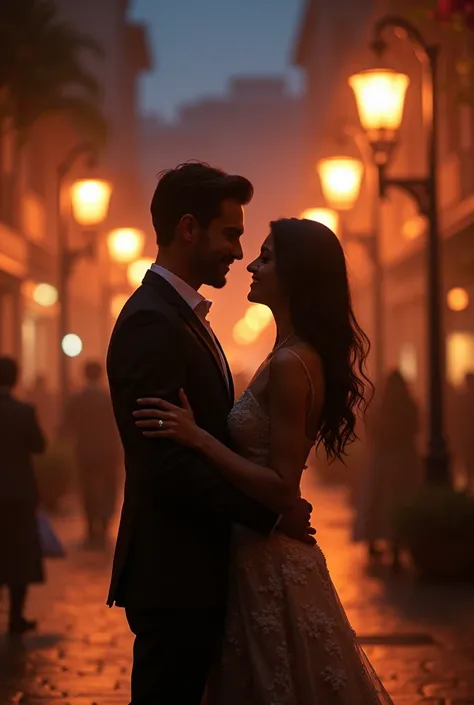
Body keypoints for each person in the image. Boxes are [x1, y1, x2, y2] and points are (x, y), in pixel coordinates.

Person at [133, 218, 395, 704]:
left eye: (267, 257)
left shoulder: (293, 365)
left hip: (268, 557)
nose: (251, 264)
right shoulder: (286, 354)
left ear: (297, 275)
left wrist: (198, 439)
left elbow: (281, 488)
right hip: (253, 549)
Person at [106, 163, 314, 705]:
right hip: (175, 573)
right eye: (231, 234)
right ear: (189, 228)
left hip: (198, 571)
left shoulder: (183, 315)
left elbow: (205, 438)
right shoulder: (152, 320)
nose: (239, 252)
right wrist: (269, 514)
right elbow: (166, 465)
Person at [353, 370, 421, 569]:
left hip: (387, 462)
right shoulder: (404, 406)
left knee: (381, 502)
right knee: (391, 503)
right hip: (398, 462)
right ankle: (393, 549)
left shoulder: (383, 406)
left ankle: (382, 544)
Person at [0, 356, 46, 635]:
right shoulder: (24, 411)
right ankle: (16, 616)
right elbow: (39, 445)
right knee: (18, 554)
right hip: (18, 491)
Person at [62, 360, 121, 549]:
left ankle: (91, 525)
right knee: (110, 487)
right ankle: (104, 522)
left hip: (85, 451)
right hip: (108, 451)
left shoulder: (77, 399)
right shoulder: (109, 398)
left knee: (86, 487)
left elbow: (67, 425)